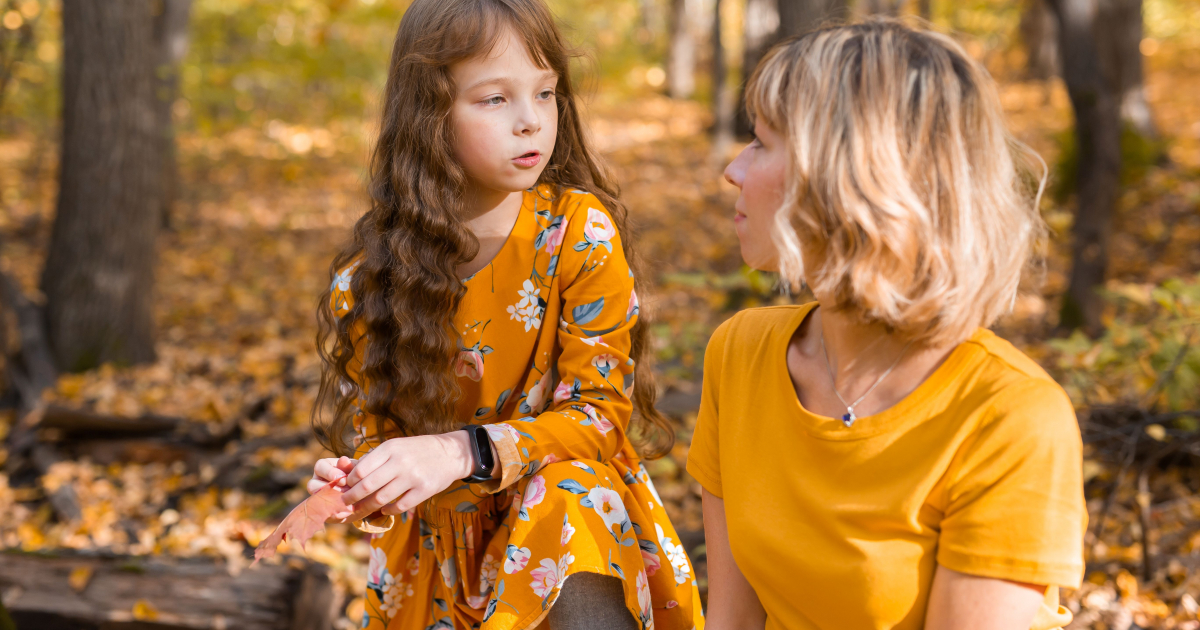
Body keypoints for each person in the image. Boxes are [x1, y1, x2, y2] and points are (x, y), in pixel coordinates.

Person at [304, 1, 703, 628]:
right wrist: (364, 482)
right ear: (429, 116)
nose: (530, 123)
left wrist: (463, 452)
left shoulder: (576, 234)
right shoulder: (367, 281)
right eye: (494, 100)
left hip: (569, 543)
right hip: (437, 564)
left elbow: (600, 417)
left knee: (572, 498)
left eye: (545, 94)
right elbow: (385, 435)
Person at [689, 20, 1086, 630]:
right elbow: (732, 622)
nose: (733, 171)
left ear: (849, 181)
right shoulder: (739, 354)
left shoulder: (1009, 417)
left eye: (762, 144)